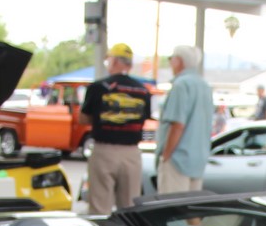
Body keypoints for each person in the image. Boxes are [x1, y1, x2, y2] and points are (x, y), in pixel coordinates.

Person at [79, 42, 152, 215]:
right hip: (132, 153)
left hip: (104, 151)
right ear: (130, 64)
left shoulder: (98, 87)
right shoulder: (143, 90)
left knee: (99, 206)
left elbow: (83, 118)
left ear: (114, 61)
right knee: (129, 207)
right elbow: (144, 118)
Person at [157, 44, 213, 193]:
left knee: (171, 209)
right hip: (198, 160)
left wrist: (166, 155)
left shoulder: (181, 85)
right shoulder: (205, 85)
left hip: (177, 159)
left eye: (171, 59)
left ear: (178, 61)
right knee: (191, 210)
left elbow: (177, 125)